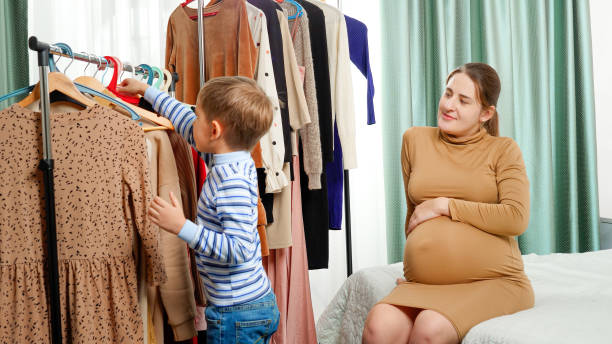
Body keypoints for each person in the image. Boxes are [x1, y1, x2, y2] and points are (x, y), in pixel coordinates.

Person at [362, 63, 534, 344]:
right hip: (423, 284)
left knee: (430, 328)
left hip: (493, 282)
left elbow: (516, 217)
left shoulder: (503, 150)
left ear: (486, 113)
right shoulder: (414, 140)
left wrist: (445, 205)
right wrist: (416, 271)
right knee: (378, 326)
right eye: (448, 93)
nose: (449, 105)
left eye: (464, 100)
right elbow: (413, 215)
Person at [118, 76, 280, 344]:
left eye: (199, 116)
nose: (192, 120)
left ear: (214, 131)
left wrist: (182, 227)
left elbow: (238, 249)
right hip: (248, 304)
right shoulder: (230, 158)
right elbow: (184, 121)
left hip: (237, 312)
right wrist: (148, 91)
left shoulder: (231, 182)